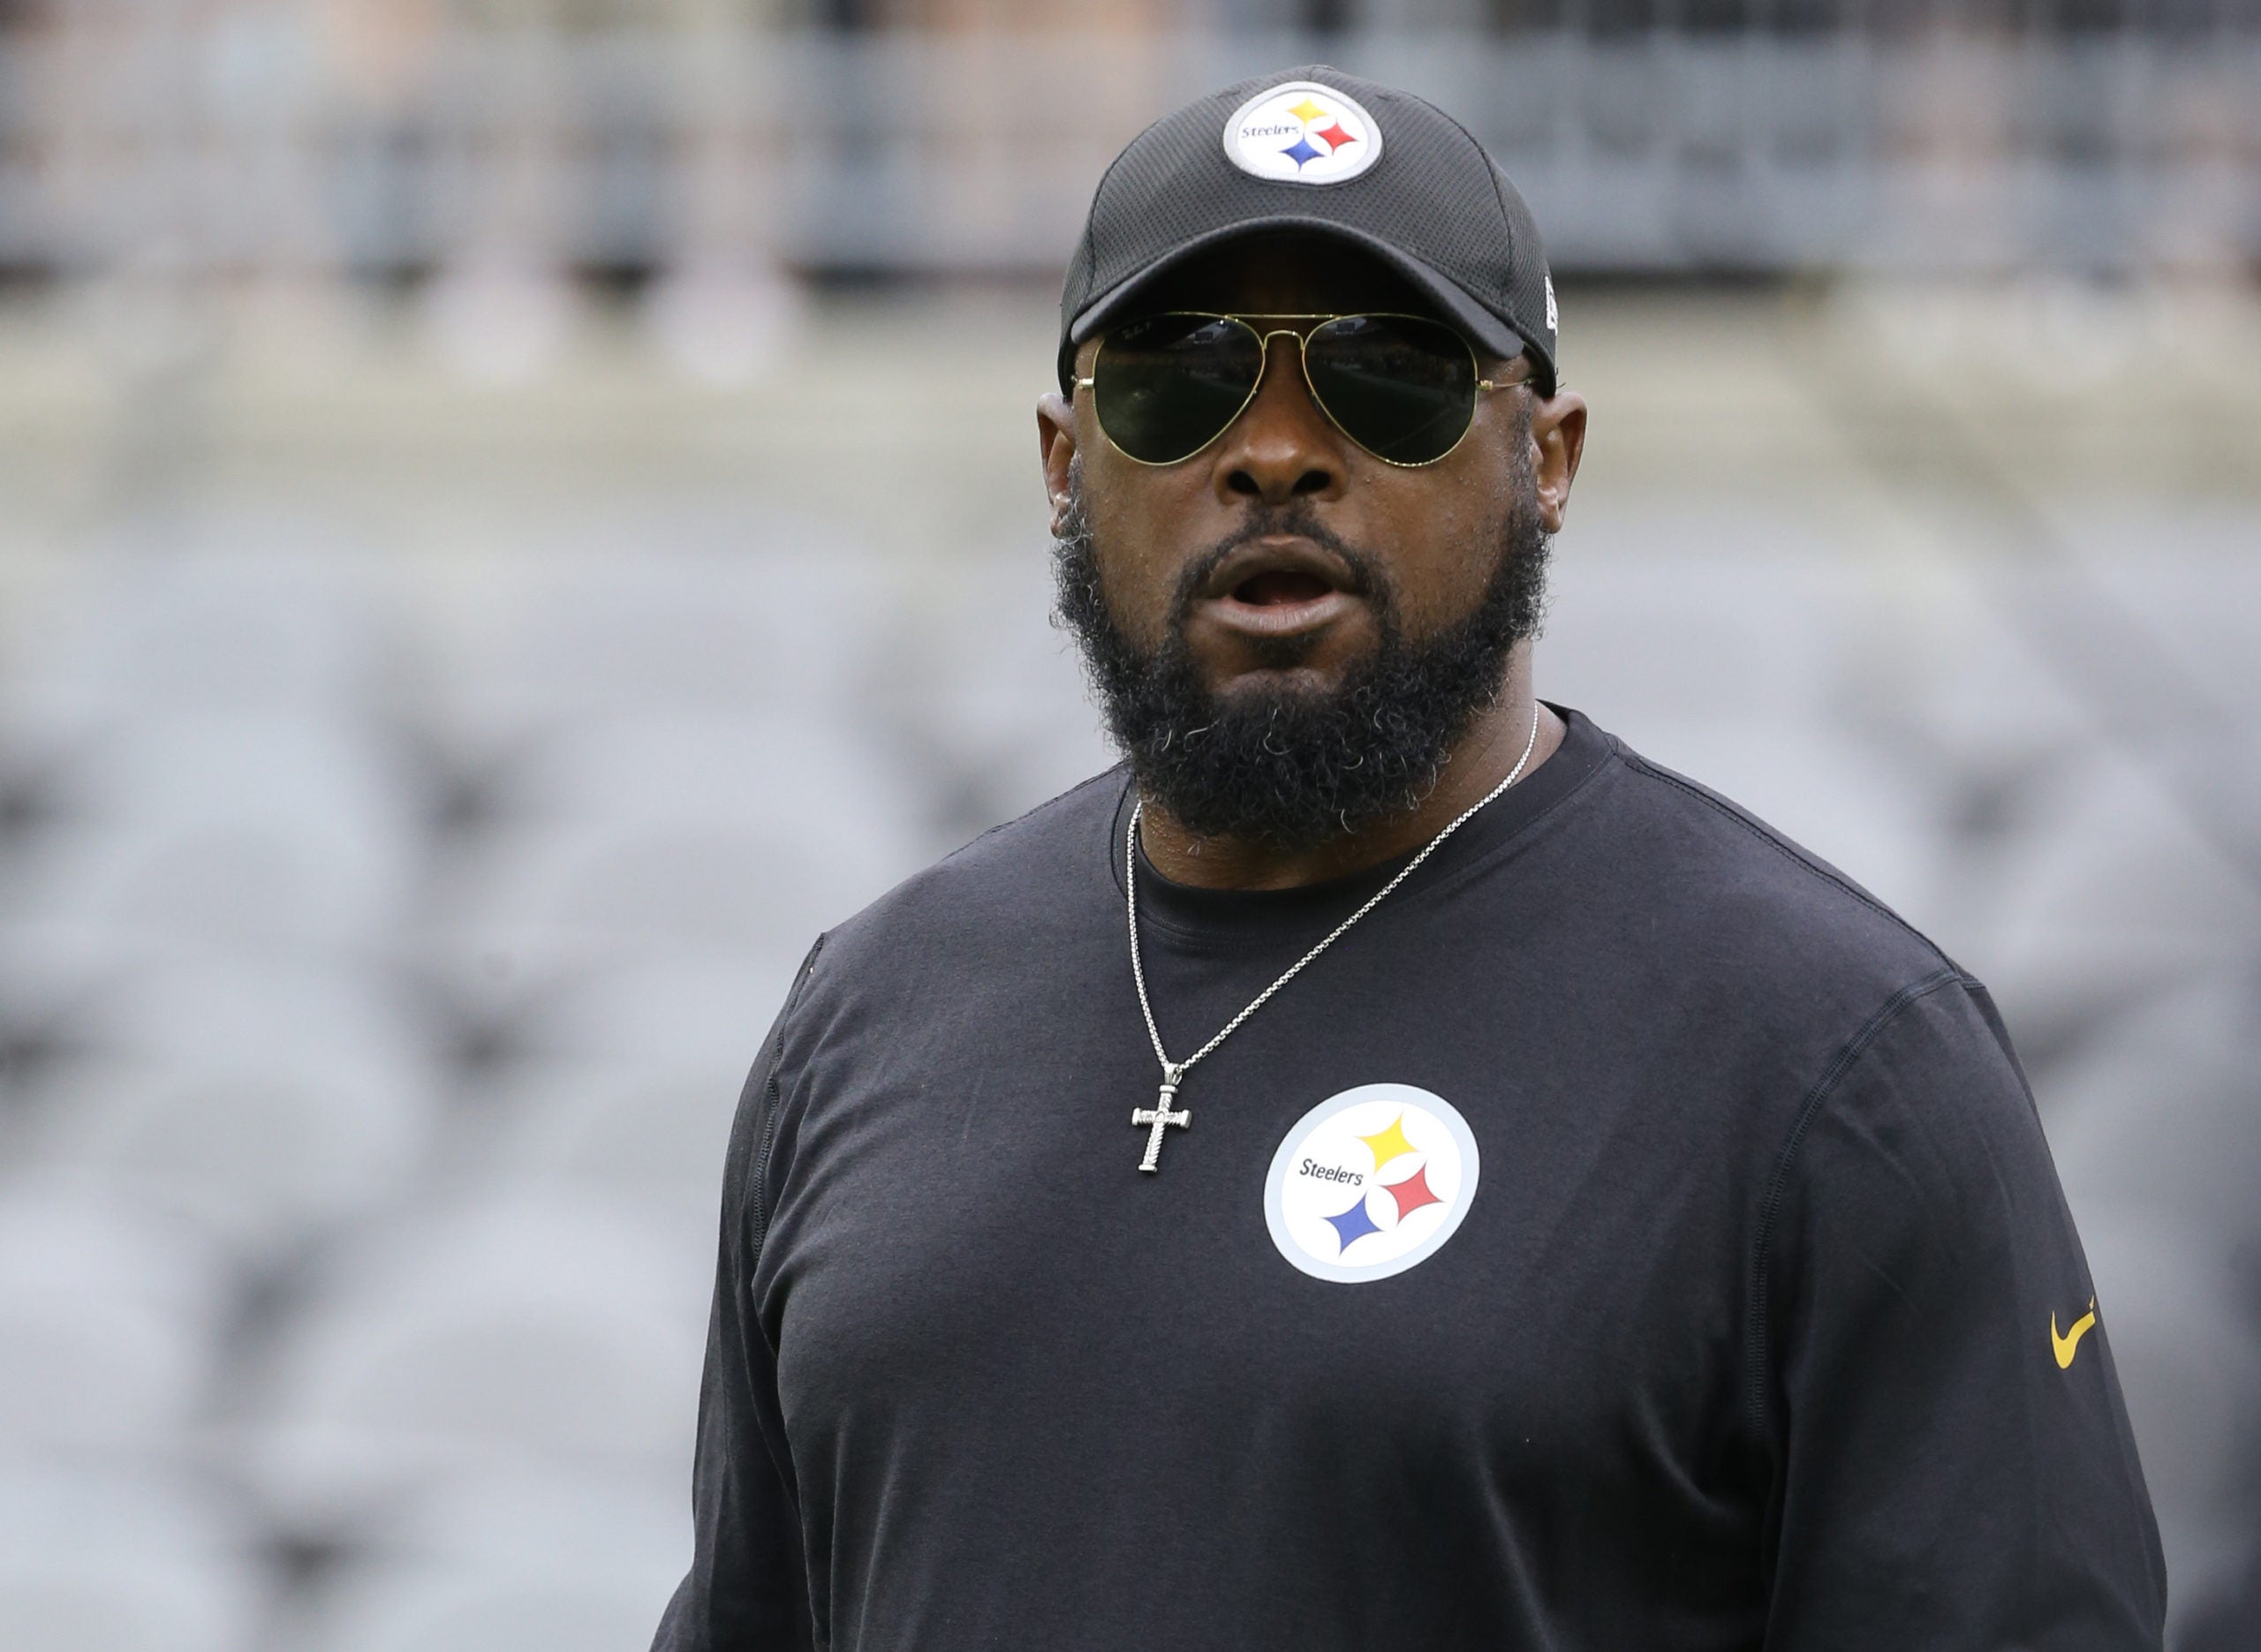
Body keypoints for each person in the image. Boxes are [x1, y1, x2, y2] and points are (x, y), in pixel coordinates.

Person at [651, 66, 2165, 1650]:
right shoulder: (869, 1015)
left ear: (1552, 456)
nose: (1280, 454)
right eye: (1183, 378)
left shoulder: (1834, 1065)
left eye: (1393, 375)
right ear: (1061, 461)